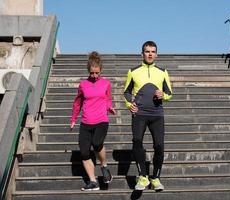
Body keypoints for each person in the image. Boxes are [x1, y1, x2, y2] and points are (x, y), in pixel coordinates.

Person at [123, 41, 172, 191]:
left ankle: (156, 178)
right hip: (140, 115)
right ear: (142, 53)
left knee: (159, 146)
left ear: (156, 54)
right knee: (137, 141)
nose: (150, 54)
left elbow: (169, 93)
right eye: (147, 51)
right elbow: (126, 92)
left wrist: (163, 95)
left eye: (152, 51)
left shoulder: (163, 72)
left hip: (157, 114)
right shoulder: (133, 71)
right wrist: (129, 105)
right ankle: (143, 177)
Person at [70, 51, 116, 191]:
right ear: (88, 71)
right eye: (92, 73)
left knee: (97, 144)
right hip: (86, 122)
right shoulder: (83, 85)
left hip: (101, 120)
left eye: (97, 73)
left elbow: (107, 99)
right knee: (84, 152)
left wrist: (110, 108)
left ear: (100, 70)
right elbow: (77, 102)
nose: (94, 76)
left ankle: (104, 165)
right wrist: (73, 119)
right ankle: (93, 181)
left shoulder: (106, 83)